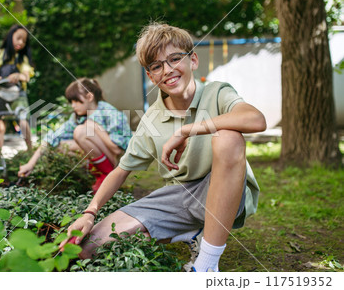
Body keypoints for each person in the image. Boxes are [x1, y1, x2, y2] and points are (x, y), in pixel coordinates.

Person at [60, 23, 267, 272]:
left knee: (228, 138)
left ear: (193, 60)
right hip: (177, 198)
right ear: (151, 76)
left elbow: (256, 120)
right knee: (88, 247)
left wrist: (188, 129)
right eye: (157, 66)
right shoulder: (151, 119)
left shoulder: (217, 92)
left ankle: (206, 265)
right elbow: (120, 170)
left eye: (175, 59)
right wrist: (89, 212)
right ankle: (190, 231)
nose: (168, 70)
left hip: (223, 191)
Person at [18, 78, 131, 193]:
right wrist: (30, 164)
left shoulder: (110, 113)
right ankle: (92, 175)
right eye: (71, 102)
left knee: (80, 131)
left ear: (90, 97)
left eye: (76, 101)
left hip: (117, 161)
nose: (73, 106)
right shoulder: (78, 117)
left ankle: (107, 176)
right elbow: (52, 138)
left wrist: (96, 128)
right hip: (103, 156)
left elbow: (117, 150)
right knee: (60, 146)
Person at [0, 24, 34, 160]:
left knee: (23, 120)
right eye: (18, 38)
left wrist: (18, 76)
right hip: (1, 94)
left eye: (24, 41)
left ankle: (31, 153)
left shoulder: (22, 59)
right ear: (10, 36)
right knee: (0, 125)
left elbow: (26, 76)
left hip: (18, 94)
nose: (21, 43)